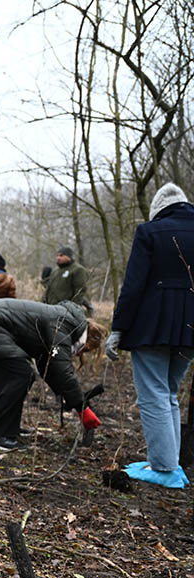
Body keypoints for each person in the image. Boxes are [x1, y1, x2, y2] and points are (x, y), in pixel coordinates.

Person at [106, 182, 194, 488]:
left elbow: (133, 286)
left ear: (158, 209)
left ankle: (164, 468)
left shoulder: (150, 231)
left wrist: (118, 329)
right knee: (168, 393)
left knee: (153, 395)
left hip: (152, 326)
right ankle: (171, 464)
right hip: (191, 330)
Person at [0, 299, 100, 451]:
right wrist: (82, 408)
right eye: (84, 350)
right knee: (20, 375)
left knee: (8, 378)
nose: (79, 354)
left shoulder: (65, 322)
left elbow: (48, 368)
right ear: (85, 341)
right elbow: (62, 369)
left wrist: (67, 395)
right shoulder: (65, 324)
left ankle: (8, 429)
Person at [43, 246, 90, 311]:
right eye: (57, 256)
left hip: (65, 309)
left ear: (69, 257)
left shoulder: (78, 269)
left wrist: (73, 309)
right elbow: (49, 289)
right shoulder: (56, 270)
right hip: (51, 307)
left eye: (61, 255)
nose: (58, 258)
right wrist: (44, 280)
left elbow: (80, 292)